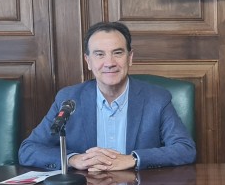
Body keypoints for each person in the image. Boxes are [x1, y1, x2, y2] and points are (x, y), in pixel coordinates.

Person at [18, 21, 196, 171]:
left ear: (130, 58)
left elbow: (185, 149)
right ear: (88, 61)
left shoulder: (156, 99)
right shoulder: (69, 99)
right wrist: (73, 159)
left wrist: (133, 159)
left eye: (117, 53)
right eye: (99, 54)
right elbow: (29, 149)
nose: (109, 63)